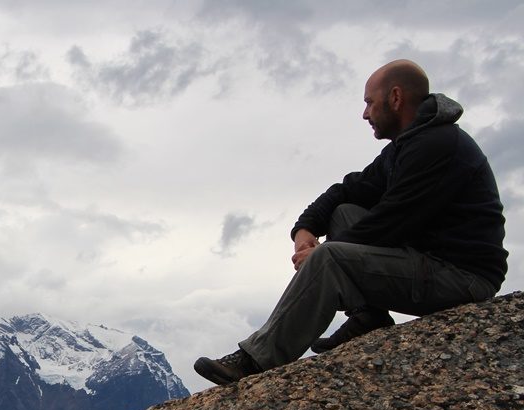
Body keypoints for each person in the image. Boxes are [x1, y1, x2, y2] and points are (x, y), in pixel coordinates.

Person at [194, 59, 508, 386]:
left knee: (331, 258)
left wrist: (321, 253)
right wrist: (306, 229)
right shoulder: (408, 146)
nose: (365, 113)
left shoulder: (438, 146)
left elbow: (391, 224)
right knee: (345, 211)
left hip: (462, 277)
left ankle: (255, 359)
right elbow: (349, 189)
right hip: (431, 262)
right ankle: (367, 315)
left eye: (370, 102)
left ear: (396, 98)